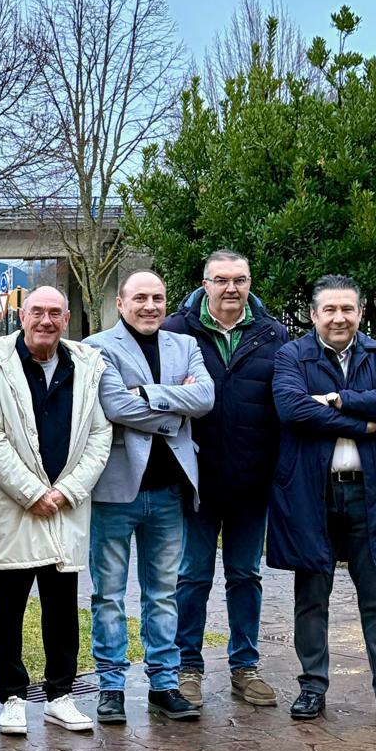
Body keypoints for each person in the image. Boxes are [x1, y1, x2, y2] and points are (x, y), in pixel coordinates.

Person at [270, 275, 376, 729]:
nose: (339, 318)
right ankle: (312, 688)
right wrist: (363, 422)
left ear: (360, 313)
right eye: (330, 310)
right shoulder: (291, 355)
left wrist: (341, 399)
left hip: (371, 493)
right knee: (311, 597)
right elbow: (292, 409)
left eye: (348, 309)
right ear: (314, 315)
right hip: (311, 493)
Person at [0, 287, 112, 735]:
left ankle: (60, 695)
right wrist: (33, 492)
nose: (46, 321)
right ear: (21, 314)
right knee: (9, 605)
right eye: (37, 311)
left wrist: (68, 491)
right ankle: (12, 697)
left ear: (67, 318)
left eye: (55, 312)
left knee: (61, 605)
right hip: (15, 507)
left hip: (66, 507)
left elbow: (99, 435)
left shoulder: (86, 366)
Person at [85, 271, 214, 724]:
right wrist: (172, 414)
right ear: (120, 303)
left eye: (157, 298)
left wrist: (150, 395)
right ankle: (112, 687)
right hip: (116, 492)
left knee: (163, 595)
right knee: (109, 596)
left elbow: (205, 397)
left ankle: (164, 684)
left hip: (169, 493)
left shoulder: (185, 344)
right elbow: (115, 406)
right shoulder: (98, 346)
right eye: (140, 297)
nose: (150, 305)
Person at [162, 251, 289, 708]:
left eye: (240, 280)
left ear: (250, 282)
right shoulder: (176, 332)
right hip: (196, 480)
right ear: (205, 283)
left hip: (253, 482)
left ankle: (245, 666)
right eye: (222, 280)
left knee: (245, 575)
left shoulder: (273, 334)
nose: (231, 289)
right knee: (192, 576)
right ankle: (188, 668)